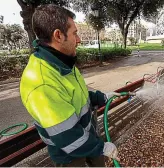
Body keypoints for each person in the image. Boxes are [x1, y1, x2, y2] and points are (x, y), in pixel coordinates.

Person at [20, 4, 120, 167]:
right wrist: (101, 147)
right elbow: (68, 137)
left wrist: (101, 97)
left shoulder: (62, 62)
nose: (79, 40)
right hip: (70, 155)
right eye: (75, 33)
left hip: (88, 139)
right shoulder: (42, 83)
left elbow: (76, 96)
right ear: (58, 35)